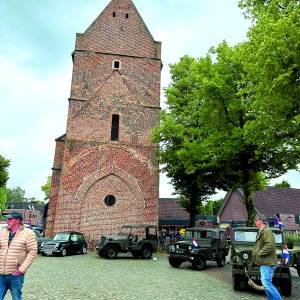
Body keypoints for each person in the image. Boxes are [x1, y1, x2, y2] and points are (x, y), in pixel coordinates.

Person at [0, 211, 37, 300]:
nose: (7, 220)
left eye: (10, 219)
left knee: (16, 297)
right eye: (7, 219)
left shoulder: (28, 233)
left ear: (17, 221)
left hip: (15, 274)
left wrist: (21, 270)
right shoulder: (3, 232)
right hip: (1, 274)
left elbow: (32, 252)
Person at [252, 214, 282, 300]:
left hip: (267, 263)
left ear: (261, 221)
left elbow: (270, 245)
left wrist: (260, 253)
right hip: (265, 262)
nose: (255, 221)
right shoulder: (262, 231)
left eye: (256, 220)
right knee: (266, 284)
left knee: (266, 284)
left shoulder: (267, 231)